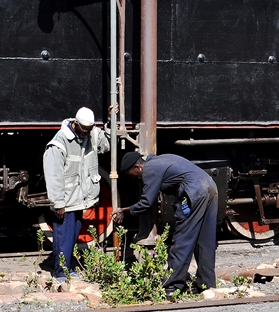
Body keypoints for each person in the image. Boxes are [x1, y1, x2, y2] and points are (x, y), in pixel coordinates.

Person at [113, 152, 219, 299]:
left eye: (133, 174)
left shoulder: (149, 169)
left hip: (194, 191)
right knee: (205, 240)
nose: (136, 178)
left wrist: (126, 211)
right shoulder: (160, 160)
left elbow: (146, 202)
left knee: (183, 239)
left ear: (138, 167)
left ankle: (172, 287)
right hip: (210, 185)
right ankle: (206, 284)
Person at [42, 106, 112, 282]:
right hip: (66, 201)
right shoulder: (58, 144)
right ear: (76, 124)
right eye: (85, 130)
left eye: (90, 130)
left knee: (71, 237)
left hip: (80, 199)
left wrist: (111, 121)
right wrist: (58, 203)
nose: (88, 133)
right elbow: (53, 176)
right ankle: (60, 272)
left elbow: (107, 144)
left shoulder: (92, 134)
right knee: (63, 237)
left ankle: (64, 268)